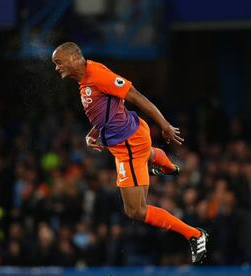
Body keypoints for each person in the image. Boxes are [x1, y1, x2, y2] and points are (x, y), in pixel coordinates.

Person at [51, 42, 208, 263]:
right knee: (143, 173)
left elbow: (136, 96)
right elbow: (110, 107)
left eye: (58, 62)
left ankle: (194, 234)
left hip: (129, 147)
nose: (57, 68)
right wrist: (94, 132)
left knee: (136, 211)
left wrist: (164, 125)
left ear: (75, 58)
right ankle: (168, 167)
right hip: (131, 139)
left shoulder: (97, 75)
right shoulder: (86, 78)